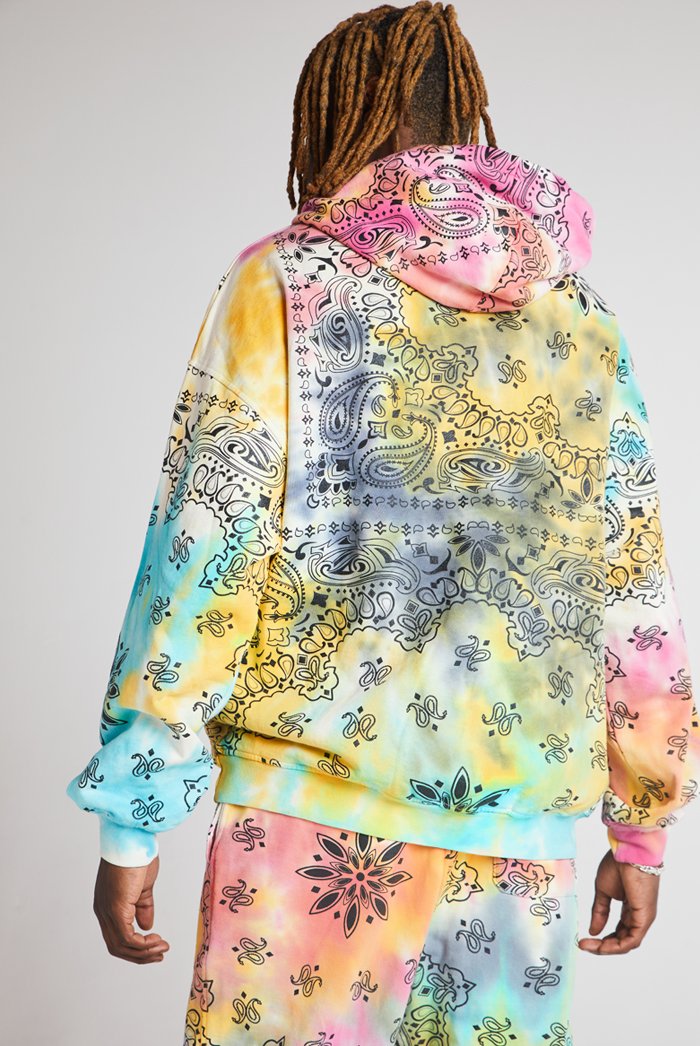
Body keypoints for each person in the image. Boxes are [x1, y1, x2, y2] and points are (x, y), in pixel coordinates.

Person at [66, 3, 700, 1043]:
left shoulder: (286, 285)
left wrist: (135, 810)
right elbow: (632, 578)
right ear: (463, 120)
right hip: (519, 846)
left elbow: (206, 550)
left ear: (335, 122)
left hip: (307, 823)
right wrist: (642, 824)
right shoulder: (581, 318)